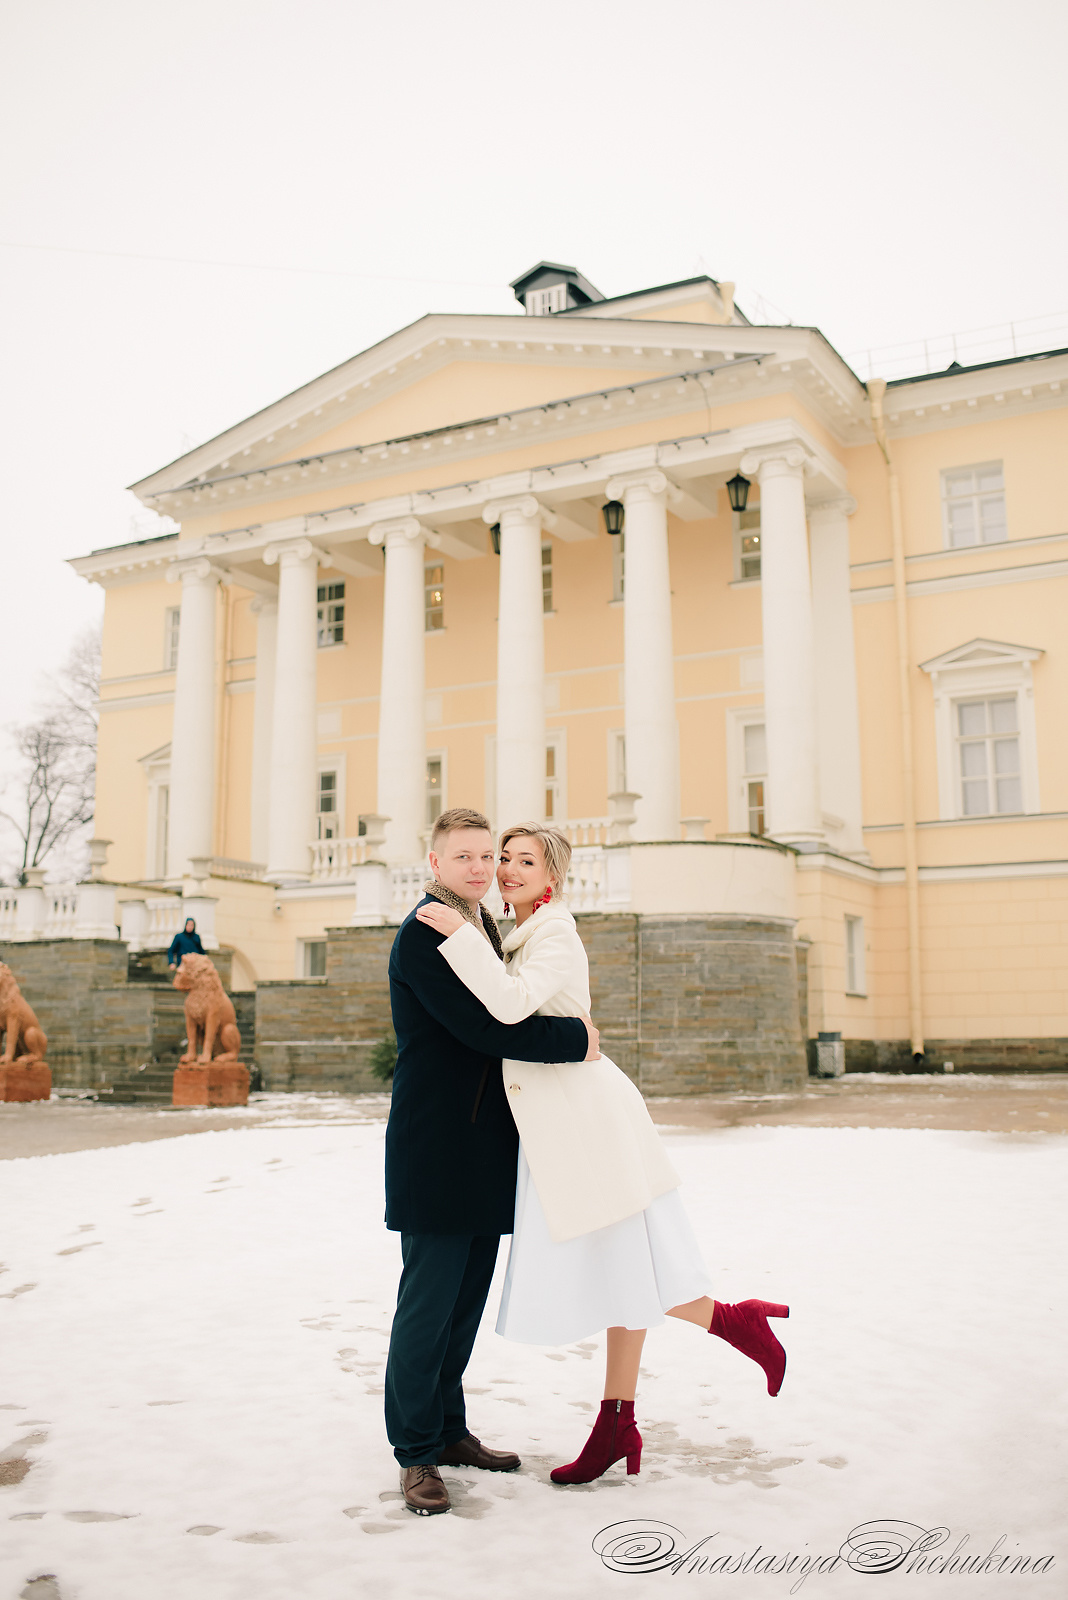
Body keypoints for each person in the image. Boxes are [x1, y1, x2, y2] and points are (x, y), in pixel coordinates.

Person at [415, 822, 790, 1487]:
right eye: (503, 858)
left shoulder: (553, 931)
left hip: (589, 1121)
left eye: (524, 861)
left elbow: (509, 1007)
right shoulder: (523, 931)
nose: (506, 869)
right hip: (563, 1125)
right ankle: (618, 1422)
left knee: (629, 1265)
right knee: (623, 1267)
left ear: (551, 877)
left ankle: (735, 1323)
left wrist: (459, 937)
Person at [383, 807, 598, 1516]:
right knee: (427, 1306)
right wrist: (578, 1040)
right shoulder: (426, 931)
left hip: (482, 1147)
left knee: (461, 1305)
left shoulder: (478, 924)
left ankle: (448, 1431)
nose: (481, 868)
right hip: (437, 1146)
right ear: (436, 864)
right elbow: (484, 1027)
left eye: (488, 856)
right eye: (465, 857)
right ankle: (415, 1453)